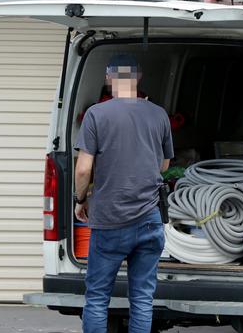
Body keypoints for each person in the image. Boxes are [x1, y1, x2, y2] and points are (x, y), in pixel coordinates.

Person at [74, 55, 174, 333]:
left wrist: (81, 200)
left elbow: (83, 170)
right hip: (150, 219)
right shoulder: (158, 114)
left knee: (97, 298)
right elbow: (164, 164)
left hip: (111, 220)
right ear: (138, 78)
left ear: (109, 77)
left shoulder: (97, 114)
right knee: (142, 298)